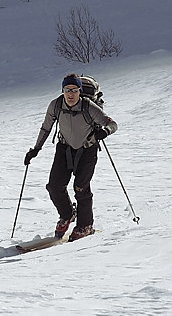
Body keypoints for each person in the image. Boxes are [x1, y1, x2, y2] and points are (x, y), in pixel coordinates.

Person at [23, 74, 117, 241]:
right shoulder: (56, 105)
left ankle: (85, 225)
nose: (71, 94)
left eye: (74, 90)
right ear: (63, 90)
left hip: (87, 151)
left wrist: (104, 132)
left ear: (80, 91)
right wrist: (35, 149)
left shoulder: (88, 106)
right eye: (67, 90)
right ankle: (67, 215)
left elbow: (112, 124)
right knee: (54, 186)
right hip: (64, 149)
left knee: (81, 188)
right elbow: (46, 128)